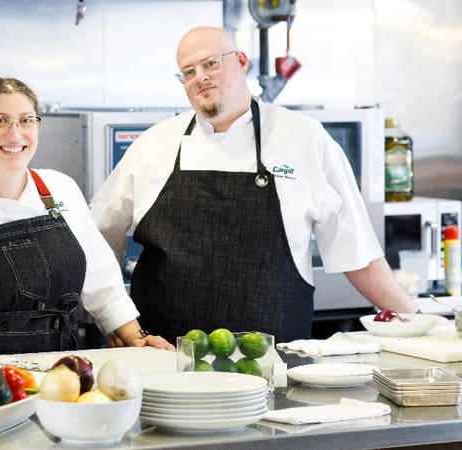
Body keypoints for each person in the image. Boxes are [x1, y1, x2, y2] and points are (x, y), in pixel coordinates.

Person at [89, 26, 418, 343]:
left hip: (274, 367)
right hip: (165, 365)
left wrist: (418, 325)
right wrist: (116, 322)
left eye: (211, 63)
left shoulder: (304, 139)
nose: (199, 77)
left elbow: (358, 253)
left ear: (241, 61)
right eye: (187, 72)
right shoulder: (152, 146)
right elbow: (97, 242)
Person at [0, 77, 172, 358]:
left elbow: (103, 283)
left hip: (63, 379)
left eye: (26, 120)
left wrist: (135, 337)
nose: (15, 134)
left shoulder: (63, 189)